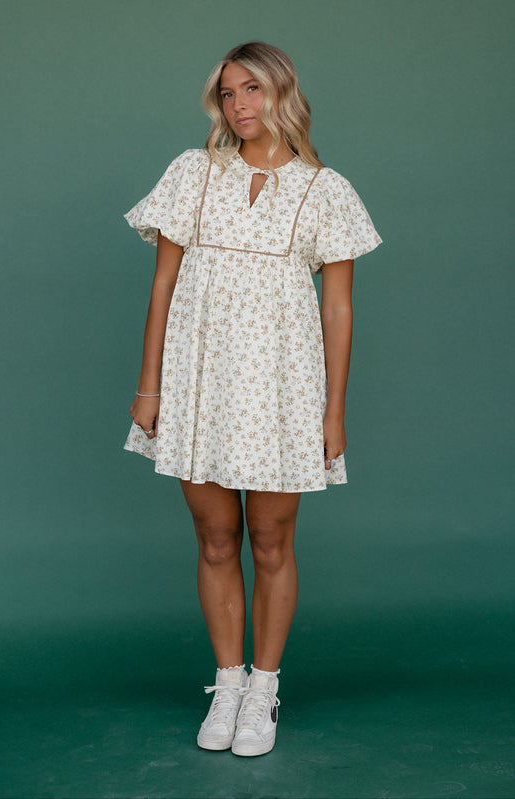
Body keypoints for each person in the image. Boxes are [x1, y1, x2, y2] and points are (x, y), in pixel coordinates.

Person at [122, 41, 382, 757]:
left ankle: (264, 689)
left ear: (282, 94)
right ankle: (227, 682)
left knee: (270, 540)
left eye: (253, 90)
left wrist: (332, 411)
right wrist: (150, 386)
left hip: (280, 387)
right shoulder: (192, 174)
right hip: (199, 378)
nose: (239, 105)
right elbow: (162, 288)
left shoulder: (324, 190)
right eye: (228, 93)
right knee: (213, 537)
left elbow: (337, 310)